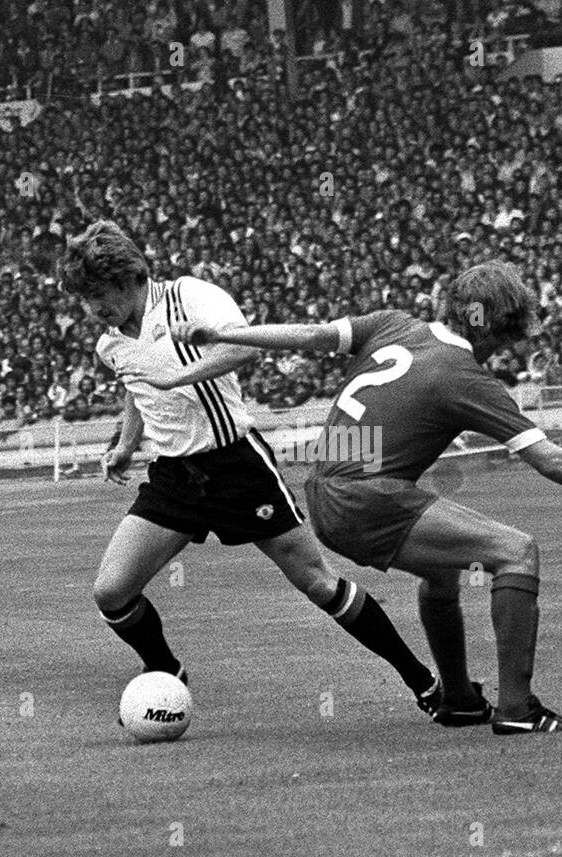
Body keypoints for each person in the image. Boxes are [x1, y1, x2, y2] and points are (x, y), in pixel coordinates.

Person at [131, 261, 562, 735]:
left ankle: (459, 700)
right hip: (366, 497)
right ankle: (518, 710)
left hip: (323, 494)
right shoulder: (463, 375)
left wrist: (225, 335)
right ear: (497, 328)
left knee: (442, 572)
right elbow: (549, 459)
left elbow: (313, 335)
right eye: (513, 334)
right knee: (517, 552)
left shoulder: (396, 324)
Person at [56, 221, 442, 717]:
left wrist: (179, 376)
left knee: (317, 582)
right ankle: (167, 674)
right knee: (111, 591)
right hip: (174, 477)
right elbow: (136, 386)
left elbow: (243, 346)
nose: (94, 308)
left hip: (236, 465)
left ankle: (426, 683)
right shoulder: (110, 344)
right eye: (85, 299)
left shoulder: (186, 297)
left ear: (131, 275)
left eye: (100, 293)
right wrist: (126, 445)